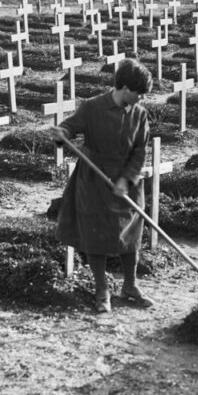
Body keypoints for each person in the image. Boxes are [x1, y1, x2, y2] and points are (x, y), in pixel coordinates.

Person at [50, 58, 154, 314]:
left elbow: (140, 150)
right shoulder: (93, 107)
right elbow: (70, 127)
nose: (140, 99)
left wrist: (126, 178)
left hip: (126, 181)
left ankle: (130, 286)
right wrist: (61, 133)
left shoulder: (139, 114)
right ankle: (101, 289)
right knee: (95, 234)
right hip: (94, 180)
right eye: (138, 93)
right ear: (124, 87)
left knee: (129, 235)